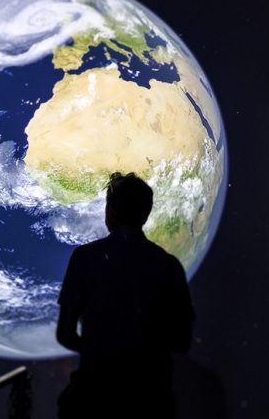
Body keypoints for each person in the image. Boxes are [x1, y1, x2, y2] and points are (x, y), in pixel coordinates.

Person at [56, 172, 195, 418]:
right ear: (146, 213)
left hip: (96, 397)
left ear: (112, 210)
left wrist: (101, 354)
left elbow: (65, 334)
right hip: (152, 400)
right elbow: (181, 340)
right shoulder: (169, 265)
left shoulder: (85, 258)